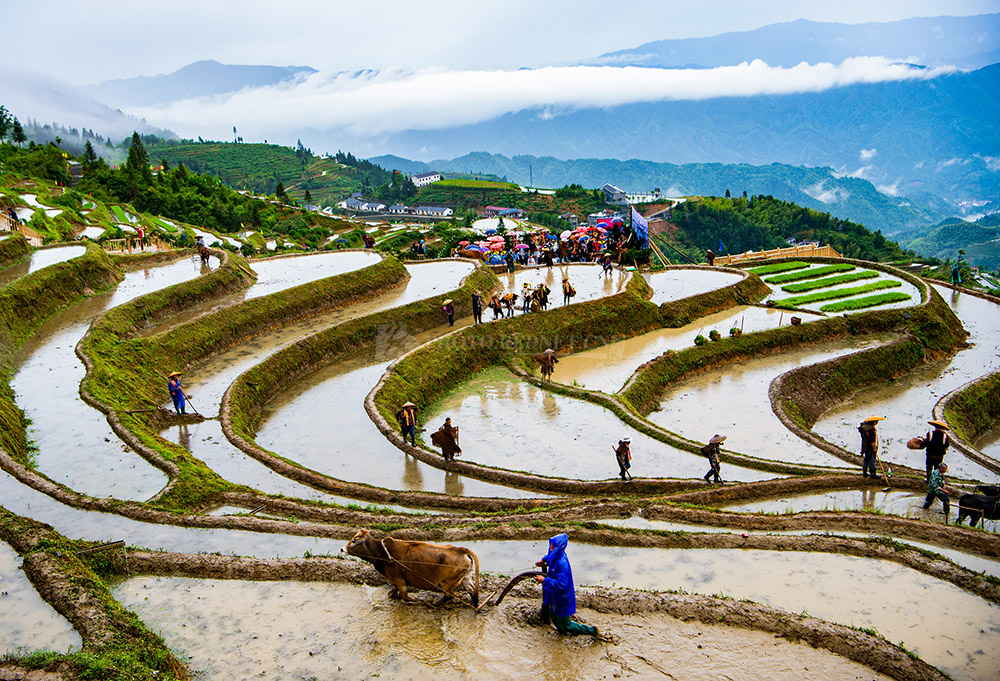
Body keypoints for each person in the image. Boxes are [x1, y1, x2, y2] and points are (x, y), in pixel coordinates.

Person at [534, 534, 600, 638]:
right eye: (550, 546)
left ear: (558, 547)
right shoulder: (556, 555)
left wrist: (544, 580)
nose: (551, 548)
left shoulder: (562, 563)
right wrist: (543, 560)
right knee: (553, 616)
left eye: (553, 546)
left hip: (562, 598)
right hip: (555, 596)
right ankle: (563, 634)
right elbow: (550, 556)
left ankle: (591, 630)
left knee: (565, 624)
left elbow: (561, 585)